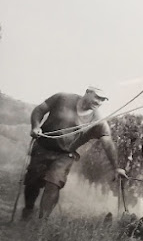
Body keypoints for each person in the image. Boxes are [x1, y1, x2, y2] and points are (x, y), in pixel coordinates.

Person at [22, 86, 128, 220]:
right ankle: (28, 210)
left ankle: (42, 222)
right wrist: (35, 126)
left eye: (102, 100)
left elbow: (107, 143)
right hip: (43, 146)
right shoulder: (62, 98)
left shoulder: (98, 121)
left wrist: (116, 167)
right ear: (87, 92)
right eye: (97, 97)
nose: (99, 102)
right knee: (32, 182)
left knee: (54, 183)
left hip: (65, 155)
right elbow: (39, 110)